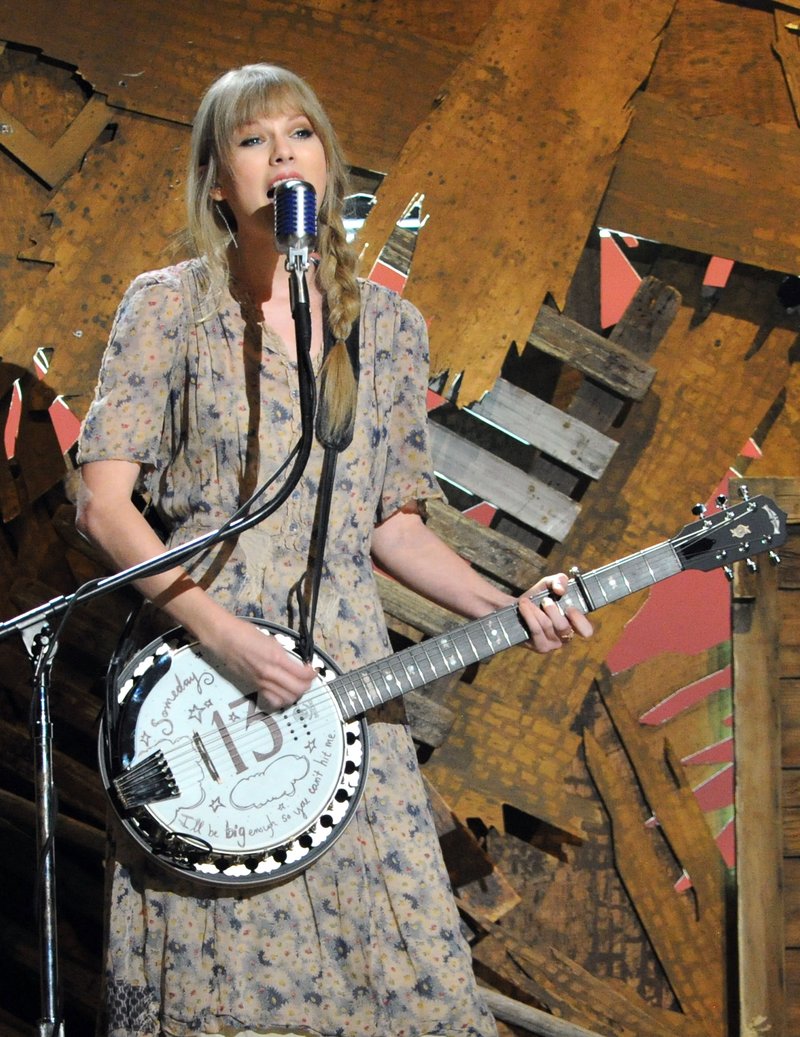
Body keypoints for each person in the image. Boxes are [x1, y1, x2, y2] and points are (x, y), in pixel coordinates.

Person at [76, 63, 592, 1037]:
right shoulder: (167, 306)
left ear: (329, 163)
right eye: (251, 140)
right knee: (216, 979)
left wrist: (503, 606)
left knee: (396, 970)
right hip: (199, 681)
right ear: (217, 181)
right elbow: (101, 507)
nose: (281, 156)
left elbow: (389, 521)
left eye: (299, 135)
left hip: (342, 685)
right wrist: (221, 635)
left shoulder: (384, 329)